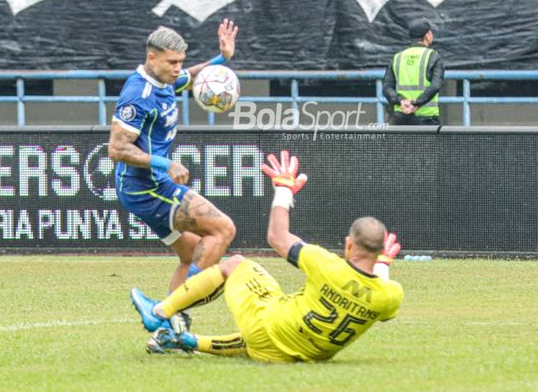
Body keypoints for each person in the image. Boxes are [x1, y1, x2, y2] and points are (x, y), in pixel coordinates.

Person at [130, 150, 405, 362]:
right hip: (301, 353)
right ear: (381, 252)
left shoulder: (326, 264)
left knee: (236, 264)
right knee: (274, 320)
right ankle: (189, 341)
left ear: (348, 245)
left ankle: (159, 311)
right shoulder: (390, 296)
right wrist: (382, 266)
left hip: (269, 331)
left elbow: (277, 237)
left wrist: (283, 190)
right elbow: (379, 294)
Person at [108, 19, 240, 331]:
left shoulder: (165, 80)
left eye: (180, 61)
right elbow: (116, 149)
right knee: (223, 230)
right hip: (146, 188)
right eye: (172, 62)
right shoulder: (138, 95)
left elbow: (193, 78)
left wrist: (222, 59)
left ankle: (167, 328)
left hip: (147, 186)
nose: (179, 68)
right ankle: (165, 312)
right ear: (151, 58)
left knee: (194, 253)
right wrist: (163, 163)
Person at [383, 18, 445, 125]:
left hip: (400, 117)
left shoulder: (398, 57)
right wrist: (416, 103)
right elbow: (436, 85)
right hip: (426, 118)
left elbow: (387, 87)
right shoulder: (433, 56)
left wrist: (401, 100)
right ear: (427, 35)